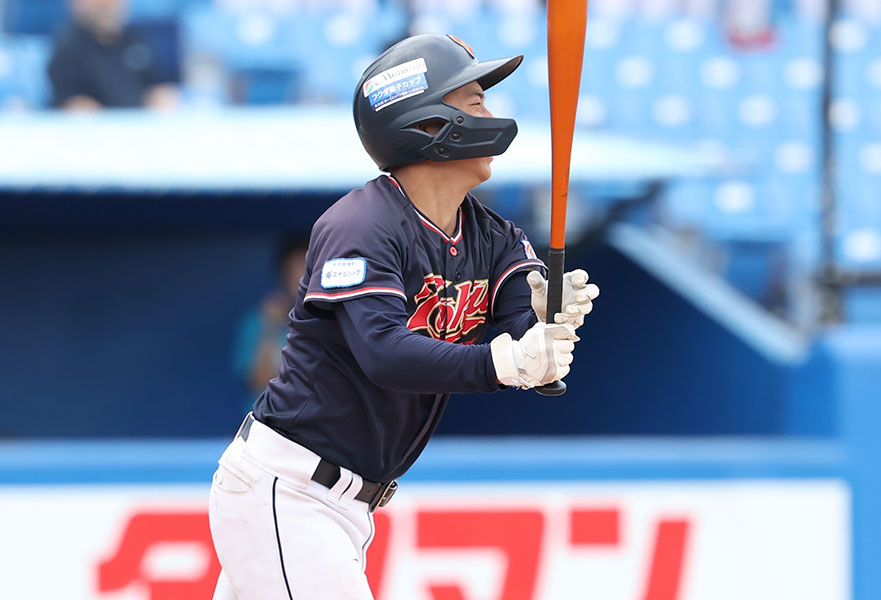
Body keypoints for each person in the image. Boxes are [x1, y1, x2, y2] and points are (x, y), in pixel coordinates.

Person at [208, 33, 599, 599]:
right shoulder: (359, 226)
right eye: (472, 102)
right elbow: (385, 353)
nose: (489, 115)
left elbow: (527, 343)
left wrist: (545, 320)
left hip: (345, 505)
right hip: (289, 489)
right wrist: (507, 361)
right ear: (429, 124)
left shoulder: (494, 235)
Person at [47, 0, 179, 110]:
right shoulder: (67, 48)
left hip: (140, 127)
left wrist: (160, 96)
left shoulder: (135, 40)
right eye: (100, 4)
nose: (108, 5)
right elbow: (67, 101)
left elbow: (156, 85)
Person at [232, 235, 309, 410]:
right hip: (266, 425)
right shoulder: (258, 321)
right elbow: (259, 381)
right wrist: (270, 328)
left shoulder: (332, 320)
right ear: (283, 275)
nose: (301, 280)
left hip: (312, 429)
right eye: (294, 271)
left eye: (307, 271)